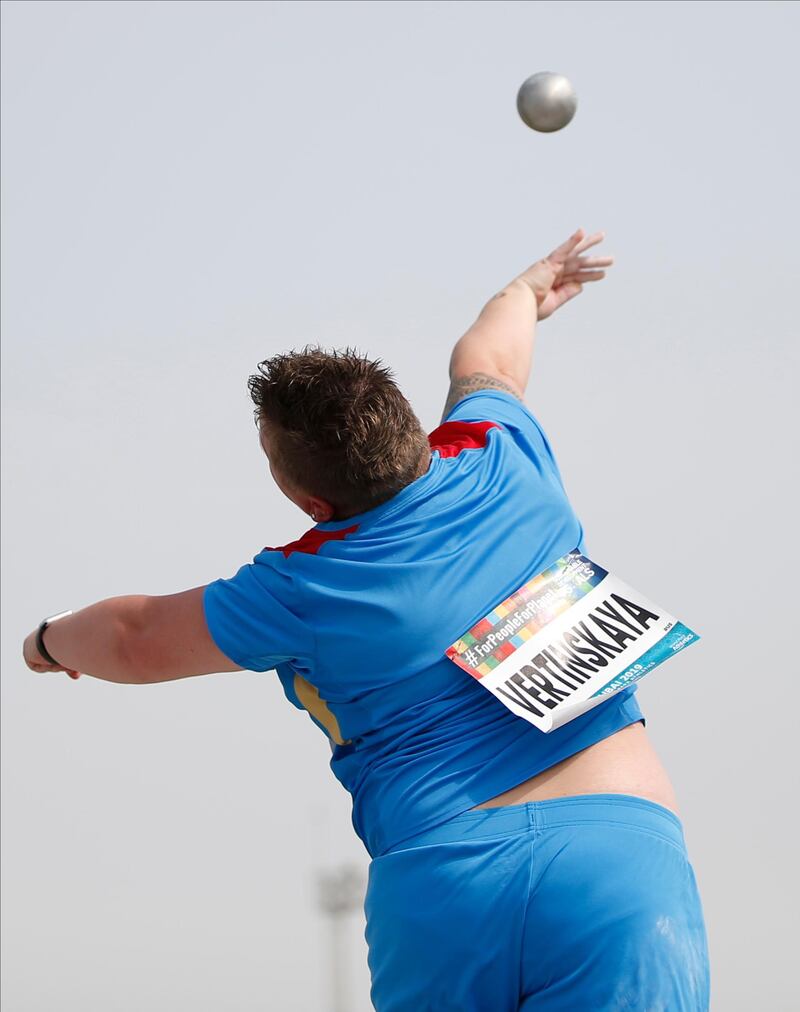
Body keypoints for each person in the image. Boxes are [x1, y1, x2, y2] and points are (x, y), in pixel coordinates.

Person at [23, 228, 710, 1010]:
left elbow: (131, 638)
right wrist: (525, 291)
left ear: (313, 504)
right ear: (413, 428)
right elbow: (488, 359)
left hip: (444, 881)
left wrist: (46, 642)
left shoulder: (301, 585)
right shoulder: (504, 455)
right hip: (616, 865)